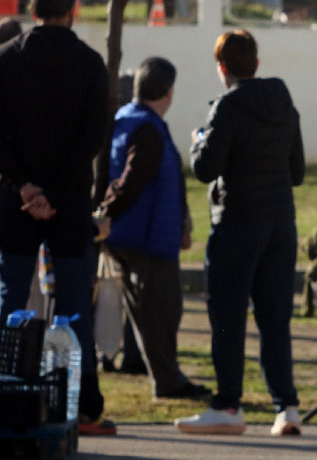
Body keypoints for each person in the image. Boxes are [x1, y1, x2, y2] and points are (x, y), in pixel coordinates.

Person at [174, 29, 305, 436]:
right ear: (257, 63)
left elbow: (205, 169)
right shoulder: (284, 103)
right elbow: (298, 172)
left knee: (228, 318)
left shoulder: (226, 108)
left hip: (237, 223)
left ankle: (228, 405)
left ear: (222, 67)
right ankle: (286, 407)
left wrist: (198, 141)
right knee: (275, 318)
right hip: (281, 223)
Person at [0, 0, 115, 434]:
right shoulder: (89, 63)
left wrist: (26, 187)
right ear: (73, 11)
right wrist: (56, 192)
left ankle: (6, 394)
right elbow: (92, 138)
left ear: (32, 11)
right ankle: (82, 404)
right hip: (68, 203)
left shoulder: (7, 59)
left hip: (16, 201)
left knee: (10, 298)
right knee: (73, 306)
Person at [93, 57, 211, 400]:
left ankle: (166, 378)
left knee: (148, 315)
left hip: (134, 234)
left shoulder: (126, 120)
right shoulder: (148, 128)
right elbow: (132, 181)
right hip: (147, 237)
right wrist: (106, 212)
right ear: (169, 91)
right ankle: (168, 381)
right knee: (162, 313)